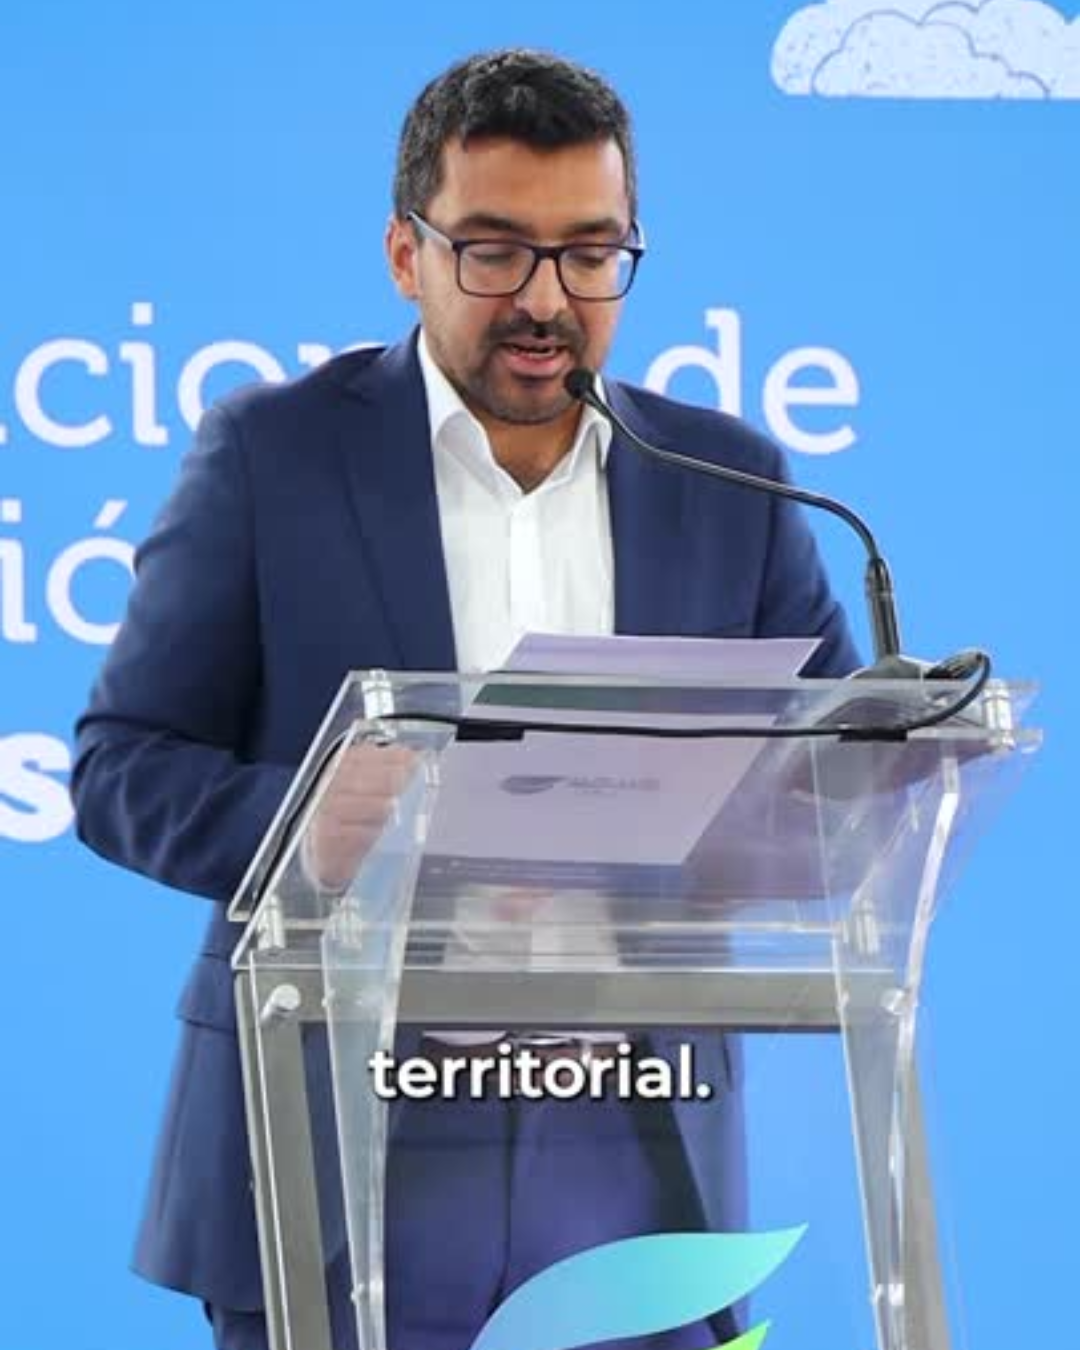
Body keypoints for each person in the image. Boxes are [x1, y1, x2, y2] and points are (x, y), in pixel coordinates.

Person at [72, 48, 859, 1350]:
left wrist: (842, 786)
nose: (545, 298)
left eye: (590, 253)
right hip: (339, 1122)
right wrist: (304, 824)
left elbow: (834, 784)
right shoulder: (273, 456)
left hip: (634, 1136)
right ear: (406, 252)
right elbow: (117, 767)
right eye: (494, 251)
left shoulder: (734, 484)